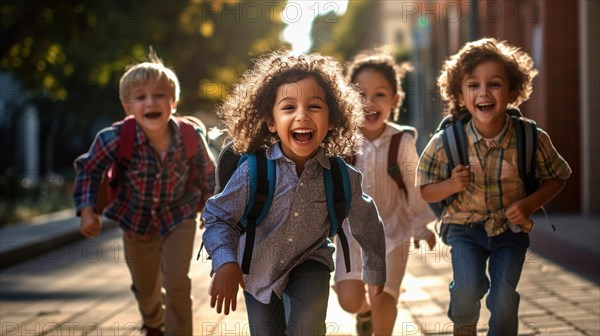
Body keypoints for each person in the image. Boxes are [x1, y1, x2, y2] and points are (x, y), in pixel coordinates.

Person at [201, 51, 387, 336]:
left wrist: (374, 269)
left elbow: (367, 221)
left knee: (308, 329)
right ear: (271, 121)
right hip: (258, 268)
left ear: (333, 118)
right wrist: (225, 261)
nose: (302, 115)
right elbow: (218, 216)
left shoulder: (341, 177)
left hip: (310, 260)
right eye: (289, 107)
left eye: (314, 106)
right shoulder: (254, 171)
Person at [417, 38, 571, 335]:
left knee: (503, 299)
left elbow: (558, 176)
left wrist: (528, 205)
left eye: (495, 84)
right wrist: (449, 185)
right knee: (466, 289)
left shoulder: (531, 138)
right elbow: (425, 189)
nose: (484, 93)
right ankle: (464, 323)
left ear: (513, 91)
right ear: (460, 95)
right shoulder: (446, 142)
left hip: (510, 233)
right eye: (473, 85)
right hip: (464, 230)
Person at [73, 48, 216, 336]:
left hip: (179, 216)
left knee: (177, 281)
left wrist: (212, 212)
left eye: (160, 95)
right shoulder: (113, 138)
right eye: (141, 97)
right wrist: (88, 211)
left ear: (173, 102)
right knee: (146, 285)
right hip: (135, 220)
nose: (151, 102)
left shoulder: (189, 136)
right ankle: (153, 322)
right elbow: (89, 170)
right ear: (128, 106)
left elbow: (209, 176)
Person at [332, 48, 437, 336]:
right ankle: (363, 312)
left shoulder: (401, 142)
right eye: (360, 94)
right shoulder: (342, 144)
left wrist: (421, 227)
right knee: (350, 300)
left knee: (382, 296)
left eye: (379, 94)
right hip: (350, 236)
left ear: (395, 100)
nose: (369, 102)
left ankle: (380, 319)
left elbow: (414, 189)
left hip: (393, 232)